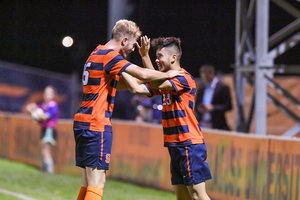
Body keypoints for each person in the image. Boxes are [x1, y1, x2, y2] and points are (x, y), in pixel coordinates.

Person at [73, 19, 183, 200]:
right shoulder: (110, 56)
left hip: (83, 122)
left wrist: (148, 74)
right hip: (96, 123)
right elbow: (142, 74)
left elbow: (133, 85)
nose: (133, 49)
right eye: (133, 44)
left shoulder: (96, 53)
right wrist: (168, 74)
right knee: (97, 183)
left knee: (87, 183)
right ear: (124, 41)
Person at [121, 36, 212, 200]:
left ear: (173, 57)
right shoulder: (164, 78)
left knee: (198, 195)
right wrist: (118, 68)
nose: (157, 60)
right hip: (175, 145)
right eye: (155, 57)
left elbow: (153, 82)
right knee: (182, 197)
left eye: (159, 56)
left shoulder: (183, 78)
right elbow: (136, 89)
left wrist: (144, 56)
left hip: (189, 143)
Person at [25, 85, 59, 173]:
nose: (47, 95)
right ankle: (44, 169)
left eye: (49, 93)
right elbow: (37, 116)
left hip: (49, 129)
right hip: (44, 129)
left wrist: (35, 112)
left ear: (53, 95)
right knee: (43, 149)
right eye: (45, 93)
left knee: (46, 149)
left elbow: (44, 117)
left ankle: (49, 171)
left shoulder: (53, 105)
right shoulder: (43, 105)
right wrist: (33, 109)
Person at [195, 64, 232, 130]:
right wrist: (200, 108)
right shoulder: (202, 88)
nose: (204, 80)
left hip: (217, 125)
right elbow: (197, 105)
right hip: (202, 124)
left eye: (206, 77)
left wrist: (213, 108)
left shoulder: (222, 87)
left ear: (211, 74)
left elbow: (228, 106)